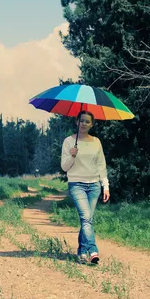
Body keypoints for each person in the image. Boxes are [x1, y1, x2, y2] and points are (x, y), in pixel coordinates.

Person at [60, 111, 110, 264]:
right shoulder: (69, 141)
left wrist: (105, 186)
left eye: (87, 121)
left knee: (87, 220)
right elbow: (64, 167)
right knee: (86, 218)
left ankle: (82, 252)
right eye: (81, 121)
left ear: (91, 124)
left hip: (94, 186)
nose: (84, 124)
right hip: (77, 185)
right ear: (77, 122)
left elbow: (101, 165)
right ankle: (93, 250)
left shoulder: (96, 142)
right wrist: (72, 155)